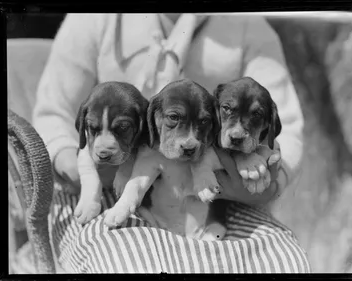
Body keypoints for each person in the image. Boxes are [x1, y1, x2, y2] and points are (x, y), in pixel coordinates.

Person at [32, 13, 309, 273]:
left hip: (226, 196)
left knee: (283, 260)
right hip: (100, 187)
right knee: (124, 262)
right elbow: (52, 115)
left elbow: (286, 129)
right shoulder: (93, 17)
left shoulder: (249, 26)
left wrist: (264, 179)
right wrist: (86, 172)